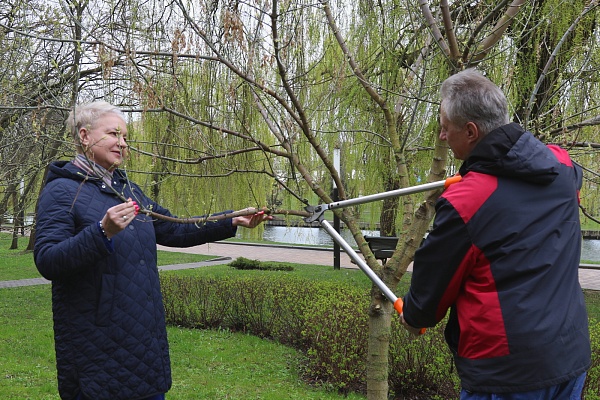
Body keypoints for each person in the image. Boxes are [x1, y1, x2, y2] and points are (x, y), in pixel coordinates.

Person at [34, 101, 271, 400]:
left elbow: (174, 229)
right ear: (84, 136)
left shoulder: (128, 190)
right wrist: (102, 232)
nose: (123, 143)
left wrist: (230, 220)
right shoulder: (62, 191)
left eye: (125, 137)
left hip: (144, 345)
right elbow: (48, 260)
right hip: (97, 348)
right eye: (114, 134)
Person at [399, 69, 591, 399]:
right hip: (568, 358)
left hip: (507, 374)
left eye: (445, 126)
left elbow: (431, 289)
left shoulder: (466, 202)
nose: (442, 135)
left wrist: (414, 316)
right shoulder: (561, 165)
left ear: (471, 131)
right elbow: (567, 175)